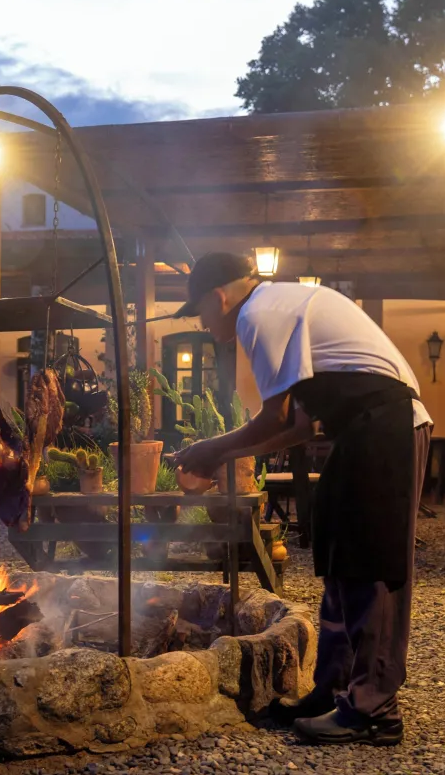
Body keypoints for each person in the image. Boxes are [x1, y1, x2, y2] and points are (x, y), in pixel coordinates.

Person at [172, 252, 431, 747]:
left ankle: (373, 709)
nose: (204, 325)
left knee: (368, 562)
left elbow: (274, 420)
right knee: (336, 551)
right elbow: (298, 427)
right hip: (363, 428)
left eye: (200, 313)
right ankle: (333, 689)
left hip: (387, 425)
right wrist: (222, 456)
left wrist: (211, 449)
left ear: (218, 297)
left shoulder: (257, 314)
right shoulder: (278, 304)